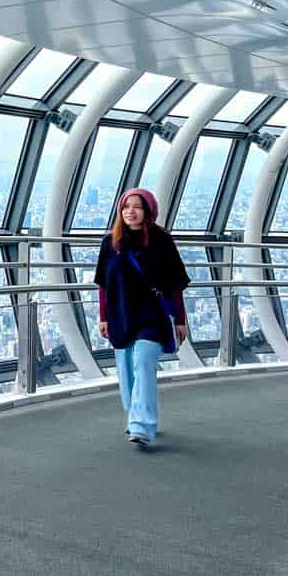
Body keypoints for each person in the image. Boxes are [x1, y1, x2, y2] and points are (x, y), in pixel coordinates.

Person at [93, 188, 189, 447]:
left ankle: (142, 426)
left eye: (137, 206)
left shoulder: (162, 241)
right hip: (121, 313)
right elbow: (104, 284)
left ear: (148, 211)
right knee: (126, 369)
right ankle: (134, 414)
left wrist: (180, 319)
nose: (130, 211)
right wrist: (103, 317)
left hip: (152, 315)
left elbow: (174, 284)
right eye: (126, 206)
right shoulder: (110, 243)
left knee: (144, 363)